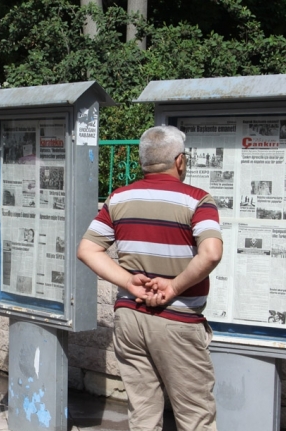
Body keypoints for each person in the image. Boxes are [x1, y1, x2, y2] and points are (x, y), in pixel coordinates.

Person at [77, 126, 223, 431]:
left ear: (144, 162)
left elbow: (88, 249)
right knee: (195, 416)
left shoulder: (119, 198)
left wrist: (128, 282)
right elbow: (210, 253)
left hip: (130, 317)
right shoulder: (198, 200)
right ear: (179, 161)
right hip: (179, 322)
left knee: (143, 414)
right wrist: (173, 287)